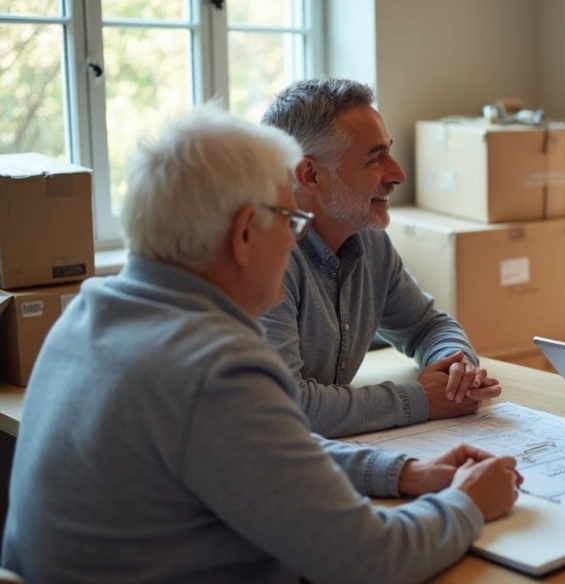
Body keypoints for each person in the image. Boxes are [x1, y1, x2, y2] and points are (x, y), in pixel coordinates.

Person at [0, 105, 521, 584]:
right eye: (290, 221)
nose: (296, 240)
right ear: (246, 232)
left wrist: (402, 472)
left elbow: (266, 452)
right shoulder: (215, 367)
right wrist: (468, 503)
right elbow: (369, 560)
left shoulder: (87, 315)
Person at [260, 78, 500, 438]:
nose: (398, 174)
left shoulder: (368, 239)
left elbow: (427, 326)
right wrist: (420, 400)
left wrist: (456, 368)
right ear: (310, 175)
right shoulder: (262, 258)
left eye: (388, 152)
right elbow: (286, 407)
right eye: (375, 158)